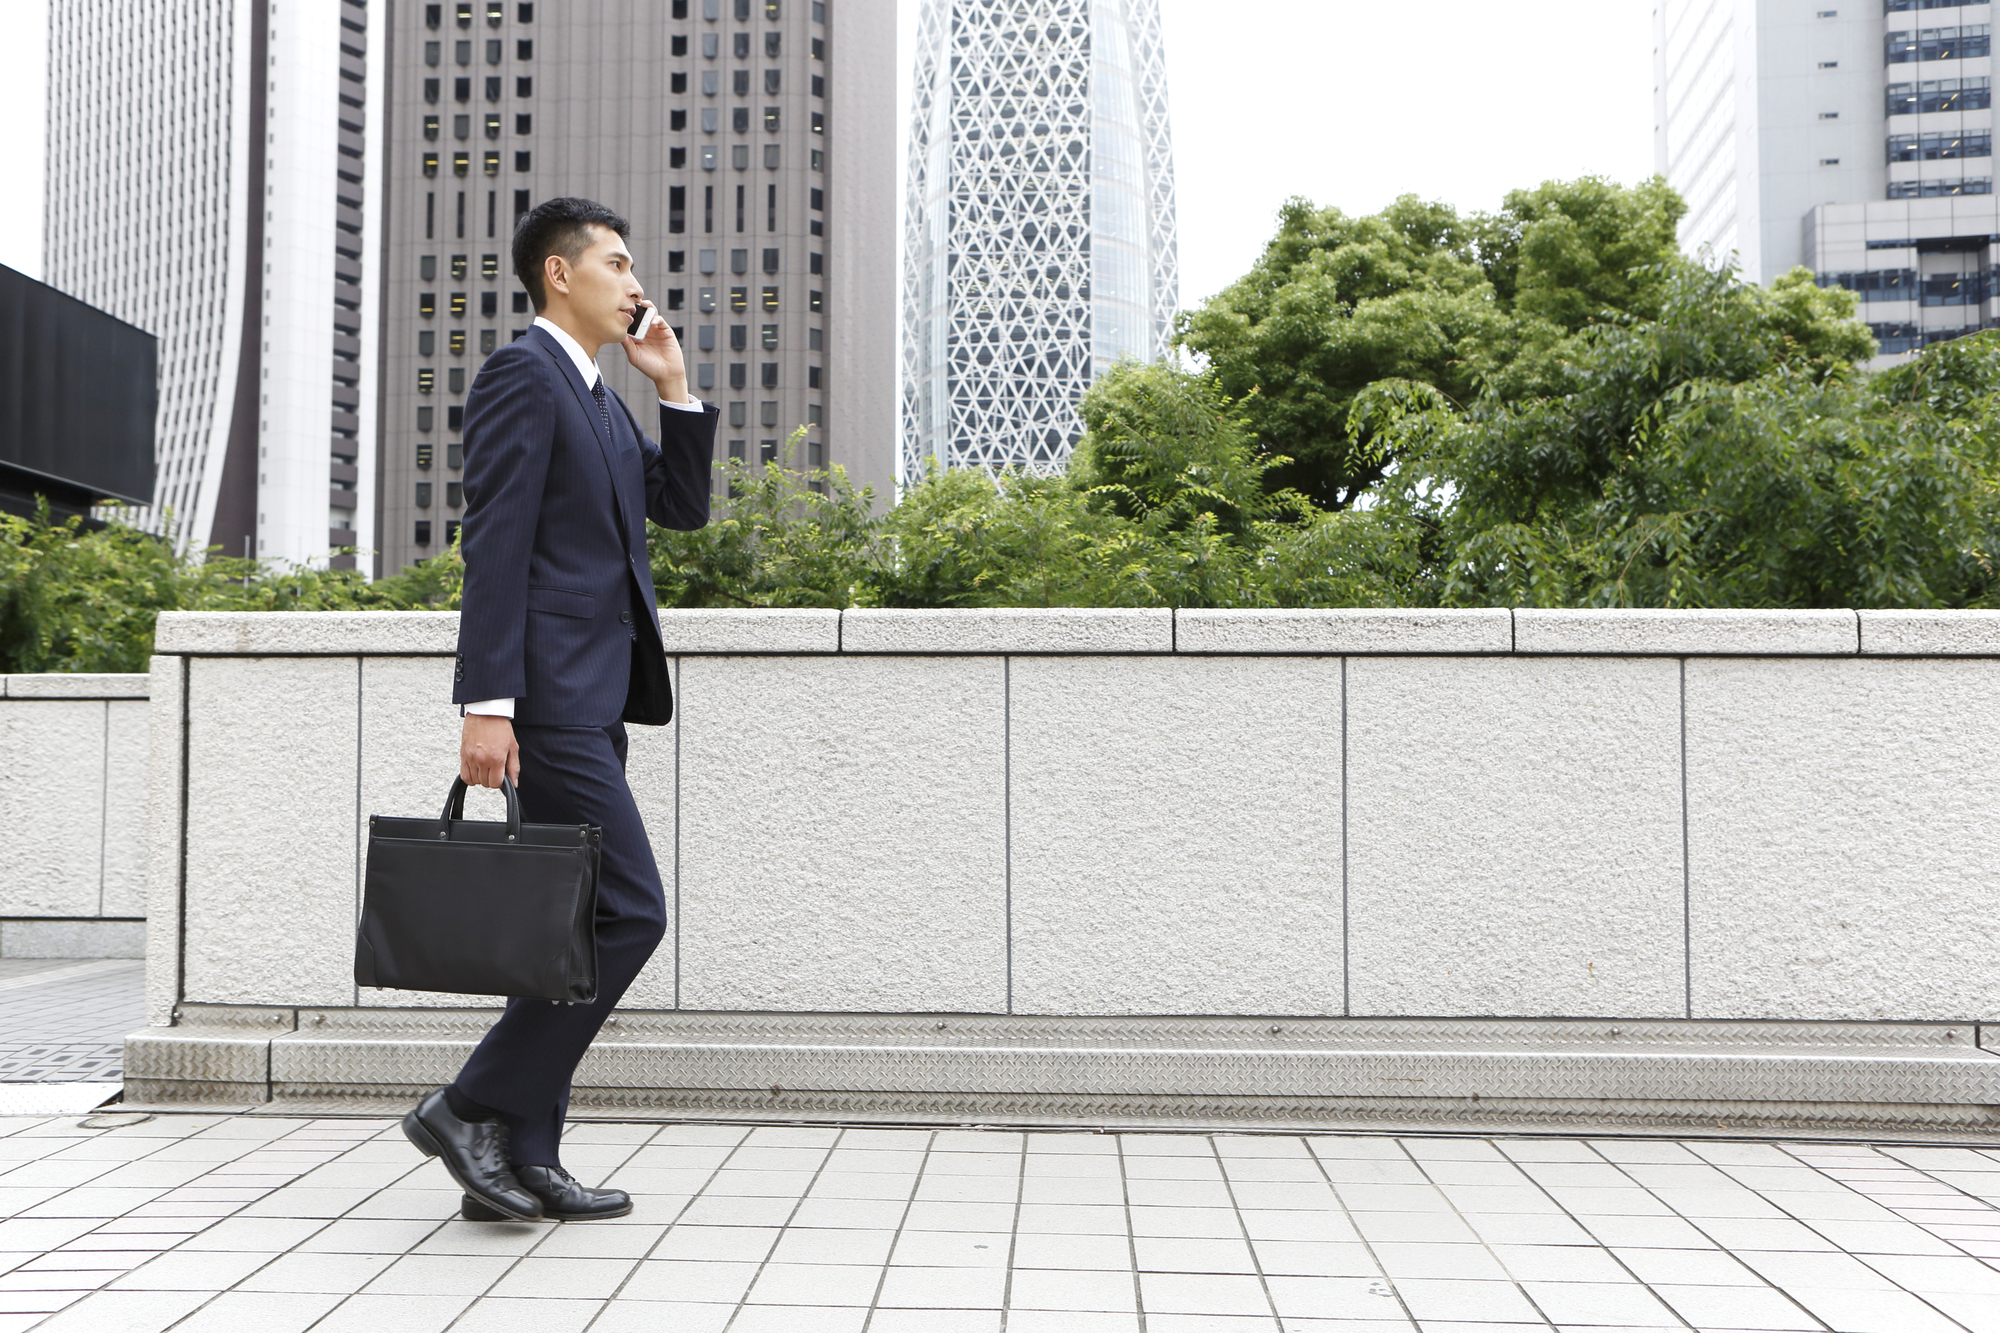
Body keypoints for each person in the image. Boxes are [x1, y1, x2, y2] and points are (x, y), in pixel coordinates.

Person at [398, 197, 717, 1222]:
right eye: (617, 264)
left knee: (569, 929)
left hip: (593, 695)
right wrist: (487, 705)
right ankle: (467, 1106)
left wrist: (672, 387)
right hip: (543, 700)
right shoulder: (521, 375)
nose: (636, 283)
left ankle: (522, 1158)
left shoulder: (598, 395)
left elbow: (676, 508)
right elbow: (493, 543)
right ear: (558, 276)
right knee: (633, 911)